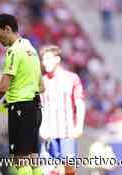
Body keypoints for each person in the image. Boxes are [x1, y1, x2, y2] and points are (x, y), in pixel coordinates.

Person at [0, 13, 43, 175]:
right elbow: (41, 86)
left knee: (20, 159)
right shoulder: (31, 49)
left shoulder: (14, 51)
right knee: (33, 158)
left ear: (7, 29)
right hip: (35, 107)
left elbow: (3, 87)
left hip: (20, 108)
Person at [39, 45, 85, 175]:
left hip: (67, 133)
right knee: (48, 170)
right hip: (49, 133)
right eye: (43, 59)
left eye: (48, 58)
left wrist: (79, 126)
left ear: (57, 59)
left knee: (69, 168)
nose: (45, 62)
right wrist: (41, 127)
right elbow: (40, 107)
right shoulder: (41, 82)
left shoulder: (71, 78)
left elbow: (80, 103)